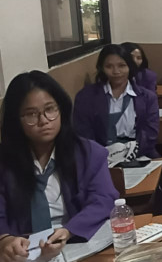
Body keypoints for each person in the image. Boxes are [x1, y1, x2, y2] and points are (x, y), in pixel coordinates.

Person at [0, 71, 118, 261]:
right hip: (23, 253)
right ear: (16, 120)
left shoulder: (88, 153)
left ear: (61, 109)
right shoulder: (5, 161)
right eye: (31, 114)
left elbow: (103, 199)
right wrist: (4, 239)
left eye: (50, 109)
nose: (44, 120)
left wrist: (69, 230)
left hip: (73, 246)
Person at [73, 45, 160, 158]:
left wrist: (131, 152)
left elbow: (150, 135)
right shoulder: (86, 97)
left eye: (122, 66)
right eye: (109, 66)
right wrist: (104, 155)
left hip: (137, 154)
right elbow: (84, 134)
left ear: (129, 67)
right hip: (100, 157)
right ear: (102, 68)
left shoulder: (147, 98)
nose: (116, 71)